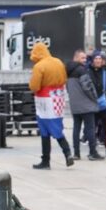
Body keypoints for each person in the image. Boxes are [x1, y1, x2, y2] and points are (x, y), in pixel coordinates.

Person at [28, 42, 74, 170]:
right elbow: (64, 79)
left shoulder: (39, 66)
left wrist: (32, 87)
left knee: (45, 130)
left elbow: (34, 86)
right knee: (57, 126)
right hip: (58, 99)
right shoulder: (58, 62)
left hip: (44, 101)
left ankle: (47, 160)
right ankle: (67, 154)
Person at [66, 49, 103, 161]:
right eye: (82, 58)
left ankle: (76, 153)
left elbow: (68, 88)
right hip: (86, 105)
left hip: (75, 105)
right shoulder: (82, 70)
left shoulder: (67, 72)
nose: (85, 60)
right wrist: (95, 99)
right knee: (90, 129)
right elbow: (88, 88)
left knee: (76, 129)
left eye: (85, 58)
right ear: (76, 58)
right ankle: (93, 152)